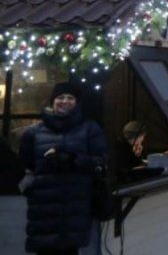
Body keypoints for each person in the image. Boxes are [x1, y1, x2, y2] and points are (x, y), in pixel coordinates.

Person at [19, 82, 108, 255]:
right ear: (52, 101)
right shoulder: (33, 133)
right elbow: (25, 166)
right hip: (43, 208)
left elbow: (101, 162)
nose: (65, 101)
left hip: (75, 207)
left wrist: (73, 159)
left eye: (70, 98)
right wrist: (30, 187)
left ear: (77, 102)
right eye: (60, 97)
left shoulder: (89, 128)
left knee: (69, 250)